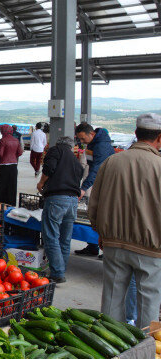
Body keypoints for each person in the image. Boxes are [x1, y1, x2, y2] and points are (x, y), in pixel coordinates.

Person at [90, 113, 161, 328]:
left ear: (135, 134)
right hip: (151, 248)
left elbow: (95, 204)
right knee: (149, 301)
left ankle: (111, 345)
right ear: (159, 138)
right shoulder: (159, 165)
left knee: (112, 297)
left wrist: (102, 233)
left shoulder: (111, 162)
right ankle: (145, 348)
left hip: (113, 244)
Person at [36, 136, 84, 283]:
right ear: (72, 146)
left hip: (57, 198)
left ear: (58, 144)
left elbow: (49, 168)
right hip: (72, 202)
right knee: (65, 238)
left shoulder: (56, 151)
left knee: (51, 236)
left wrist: (41, 183)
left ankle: (57, 272)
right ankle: (60, 269)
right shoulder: (76, 161)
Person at [74, 122, 115, 257]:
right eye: (79, 139)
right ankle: (93, 246)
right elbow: (90, 166)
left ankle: (108, 250)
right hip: (98, 182)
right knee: (95, 215)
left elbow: (96, 169)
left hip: (108, 183)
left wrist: (84, 188)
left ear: (91, 134)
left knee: (105, 216)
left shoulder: (101, 146)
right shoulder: (92, 144)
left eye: (82, 139)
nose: (81, 142)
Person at [0, 124, 23, 206]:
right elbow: (20, 152)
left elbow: (0, 154)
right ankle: (11, 203)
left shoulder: (3, 140)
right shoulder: (16, 140)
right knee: (11, 185)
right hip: (14, 165)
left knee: (0, 185)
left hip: (4, 165)